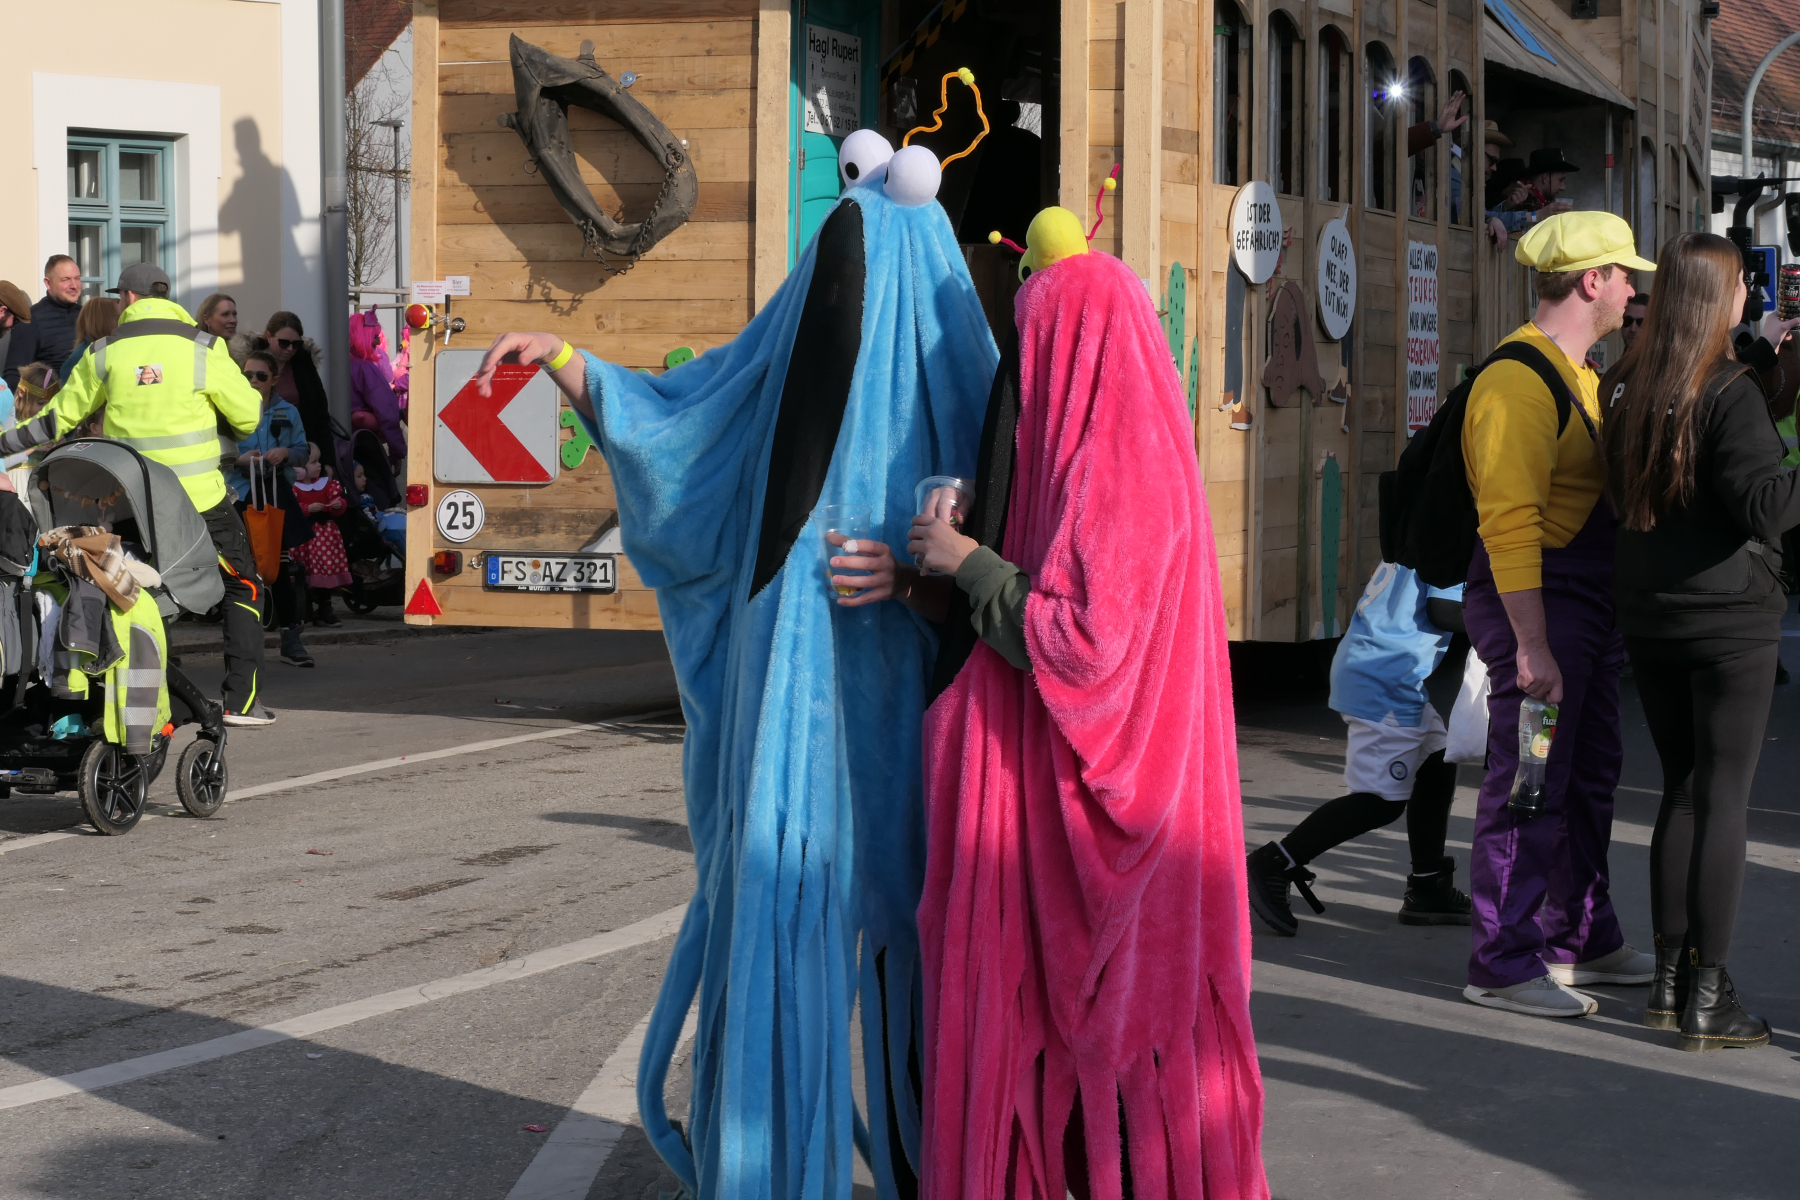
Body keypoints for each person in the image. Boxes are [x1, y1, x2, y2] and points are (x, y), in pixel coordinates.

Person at [469, 144, 996, 1200]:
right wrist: (569, 362)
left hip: (901, 699)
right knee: (803, 916)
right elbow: (694, 412)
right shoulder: (827, 340)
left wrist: (931, 570)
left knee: (899, 932)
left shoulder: (963, 385)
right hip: (800, 678)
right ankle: (784, 1169)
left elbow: (1020, 546)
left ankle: (917, 1166)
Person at [884, 210, 1267, 1198]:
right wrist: (926, 580)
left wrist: (968, 563)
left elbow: (1085, 643)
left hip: (1120, 841)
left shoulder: (1117, 464)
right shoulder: (1123, 440)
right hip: (1141, 823)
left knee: (1111, 1095)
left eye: (1035, 347)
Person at [1603, 232, 1800, 1052]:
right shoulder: (1727, 390)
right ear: (1722, 296)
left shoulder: (1624, 382)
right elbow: (1766, 507)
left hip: (1649, 613)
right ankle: (1709, 995)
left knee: (1681, 792)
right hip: (1727, 618)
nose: (1750, 295)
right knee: (1722, 799)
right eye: (1742, 284)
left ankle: (1666, 984)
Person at [1459, 211, 1658, 1018]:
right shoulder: (1517, 381)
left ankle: (1579, 937)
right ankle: (1503, 961)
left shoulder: (1578, 372)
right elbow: (1509, 525)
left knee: (1589, 774)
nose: (1633, 291)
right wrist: (1532, 646)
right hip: (1540, 608)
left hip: (1582, 606)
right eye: (1625, 276)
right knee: (1532, 782)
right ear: (1591, 281)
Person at [0, 262, 272, 726]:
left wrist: (2, 444)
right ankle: (241, 704)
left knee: (131, 591)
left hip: (131, 501)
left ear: (126, 298)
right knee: (243, 585)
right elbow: (248, 417)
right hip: (201, 499)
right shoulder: (204, 348)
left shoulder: (103, 352)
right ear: (166, 296)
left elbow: (55, 422)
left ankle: (139, 700)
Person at [1247, 563, 1472, 936]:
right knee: (1380, 801)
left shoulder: (1418, 538)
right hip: (1386, 681)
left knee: (1437, 760)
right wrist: (1512, 620)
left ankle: (1429, 884)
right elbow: (1443, 610)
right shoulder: (1453, 545)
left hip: (1380, 670)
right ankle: (1275, 862)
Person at [235, 350, 314, 667]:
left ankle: (291, 639)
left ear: (274, 380)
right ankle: (244, 644)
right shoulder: (229, 409)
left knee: (279, 568)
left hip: (275, 493)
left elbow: (303, 451)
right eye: (247, 375)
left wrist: (285, 453)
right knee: (240, 570)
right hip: (240, 494)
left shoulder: (287, 411)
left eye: (260, 376)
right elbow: (215, 452)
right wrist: (238, 460)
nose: (253, 380)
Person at [256, 312, 340, 478]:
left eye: (296, 344)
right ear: (269, 337)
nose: (290, 349)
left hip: (302, 452)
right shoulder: (253, 364)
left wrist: (327, 460)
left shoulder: (303, 362)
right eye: (284, 343)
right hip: (261, 451)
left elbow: (320, 413)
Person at [289, 443, 351, 625]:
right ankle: (305, 608)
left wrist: (339, 505)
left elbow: (337, 501)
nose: (319, 465)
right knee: (304, 571)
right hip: (304, 536)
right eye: (313, 462)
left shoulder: (327, 485)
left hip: (325, 536)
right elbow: (292, 508)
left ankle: (325, 607)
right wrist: (307, 509)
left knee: (325, 569)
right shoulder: (294, 488)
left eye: (319, 461)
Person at [3, 255, 83, 389]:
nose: (74, 285)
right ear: (48, 283)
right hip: (51, 399)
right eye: (65, 280)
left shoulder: (87, 315)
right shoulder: (31, 320)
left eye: (77, 278)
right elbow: (15, 375)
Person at [348, 314, 406, 469]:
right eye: (374, 337)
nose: (378, 342)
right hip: (365, 445)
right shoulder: (365, 369)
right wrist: (397, 450)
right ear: (361, 338)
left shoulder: (334, 365)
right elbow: (387, 410)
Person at [61, 296, 120, 381]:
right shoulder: (79, 359)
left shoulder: (111, 349)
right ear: (103, 321)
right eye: (118, 316)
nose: (124, 320)